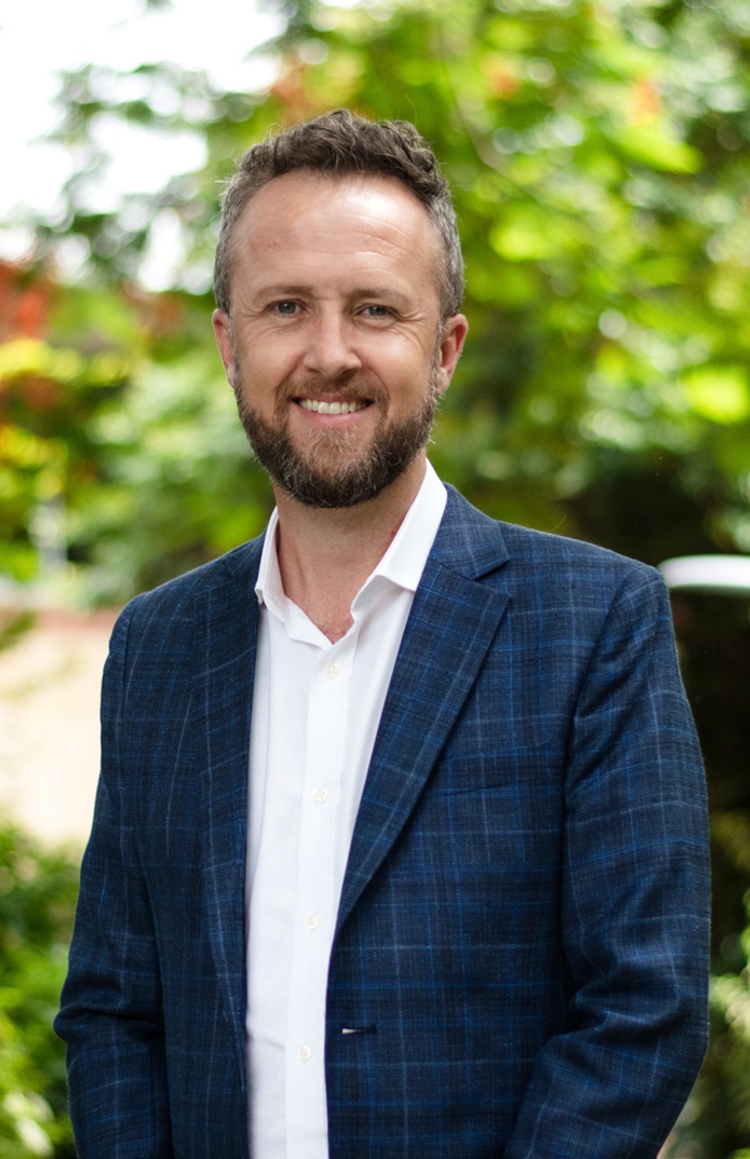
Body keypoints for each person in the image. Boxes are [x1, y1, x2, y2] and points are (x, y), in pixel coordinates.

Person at [55, 109, 711, 1159]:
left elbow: (641, 1007)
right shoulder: (157, 649)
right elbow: (114, 1010)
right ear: (230, 340)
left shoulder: (594, 626)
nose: (328, 354)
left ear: (442, 346)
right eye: (285, 306)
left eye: (375, 309)